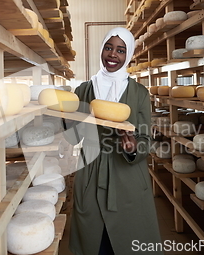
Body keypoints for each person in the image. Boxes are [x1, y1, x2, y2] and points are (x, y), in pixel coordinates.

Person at [64, 27, 163, 255]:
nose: (113, 55)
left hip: (127, 177)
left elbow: (146, 138)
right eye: (108, 48)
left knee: (128, 243)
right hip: (91, 173)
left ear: (127, 56)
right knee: (94, 242)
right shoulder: (84, 90)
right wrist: (65, 123)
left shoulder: (139, 93)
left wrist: (133, 148)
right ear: (102, 50)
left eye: (120, 50)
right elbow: (73, 137)